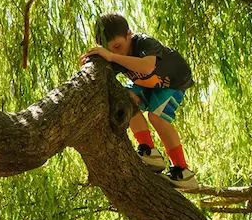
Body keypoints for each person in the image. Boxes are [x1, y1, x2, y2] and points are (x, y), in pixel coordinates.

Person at [82, 12, 198, 189]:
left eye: (118, 46)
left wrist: (111, 57)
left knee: (156, 117)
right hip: (147, 85)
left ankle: (183, 171)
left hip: (172, 82)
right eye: (109, 49)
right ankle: (149, 151)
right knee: (125, 100)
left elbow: (147, 66)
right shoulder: (115, 55)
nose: (114, 51)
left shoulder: (144, 42)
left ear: (129, 34)